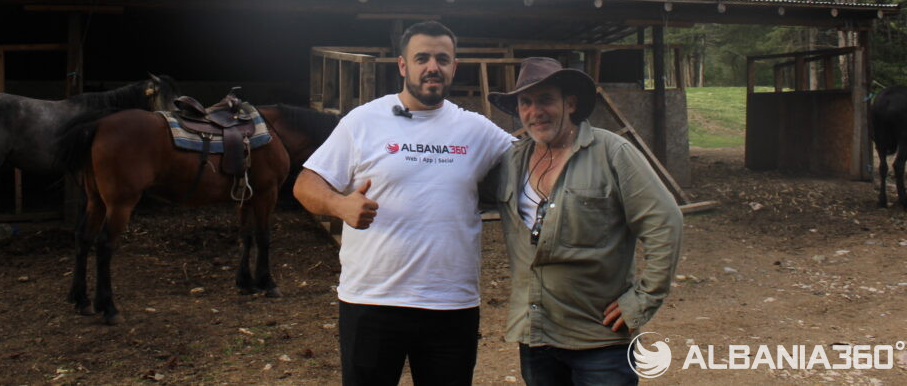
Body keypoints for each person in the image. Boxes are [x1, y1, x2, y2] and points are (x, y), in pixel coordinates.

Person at [293, 20, 515, 386]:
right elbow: (306, 183)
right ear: (403, 65)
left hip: (451, 305)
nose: (433, 67)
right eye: (422, 58)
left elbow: (535, 164)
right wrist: (339, 205)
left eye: (442, 59)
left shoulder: (477, 130)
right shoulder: (363, 121)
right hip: (372, 301)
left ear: (453, 68)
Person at [487, 57, 683, 385]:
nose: (535, 112)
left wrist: (641, 301)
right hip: (535, 334)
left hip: (600, 339)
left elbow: (665, 222)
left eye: (546, 99)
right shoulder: (511, 161)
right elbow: (454, 191)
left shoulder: (612, 152)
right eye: (526, 102)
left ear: (571, 103)